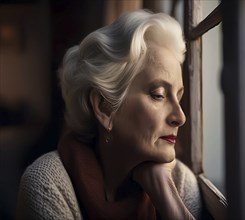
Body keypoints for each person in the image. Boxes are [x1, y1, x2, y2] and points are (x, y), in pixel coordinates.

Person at [16, 10, 203, 220]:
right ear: (104, 108)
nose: (180, 116)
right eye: (158, 95)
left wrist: (169, 201)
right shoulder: (46, 183)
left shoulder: (181, 181)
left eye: (178, 96)